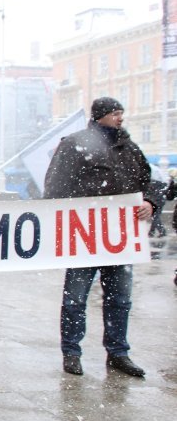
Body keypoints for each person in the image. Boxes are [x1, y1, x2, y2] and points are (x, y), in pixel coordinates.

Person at [44, 97, 161, 377]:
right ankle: (71, 352)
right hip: (85, 236)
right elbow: (55, 187)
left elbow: (151, 181)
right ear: (100, 116)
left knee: (120, 298)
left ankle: (118, 352)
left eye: (121, 112)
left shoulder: (129, 147)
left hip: (120, 238)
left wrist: (151, 203)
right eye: (115, 113)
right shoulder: (74, 144)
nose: (120, 117)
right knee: (76, 298)